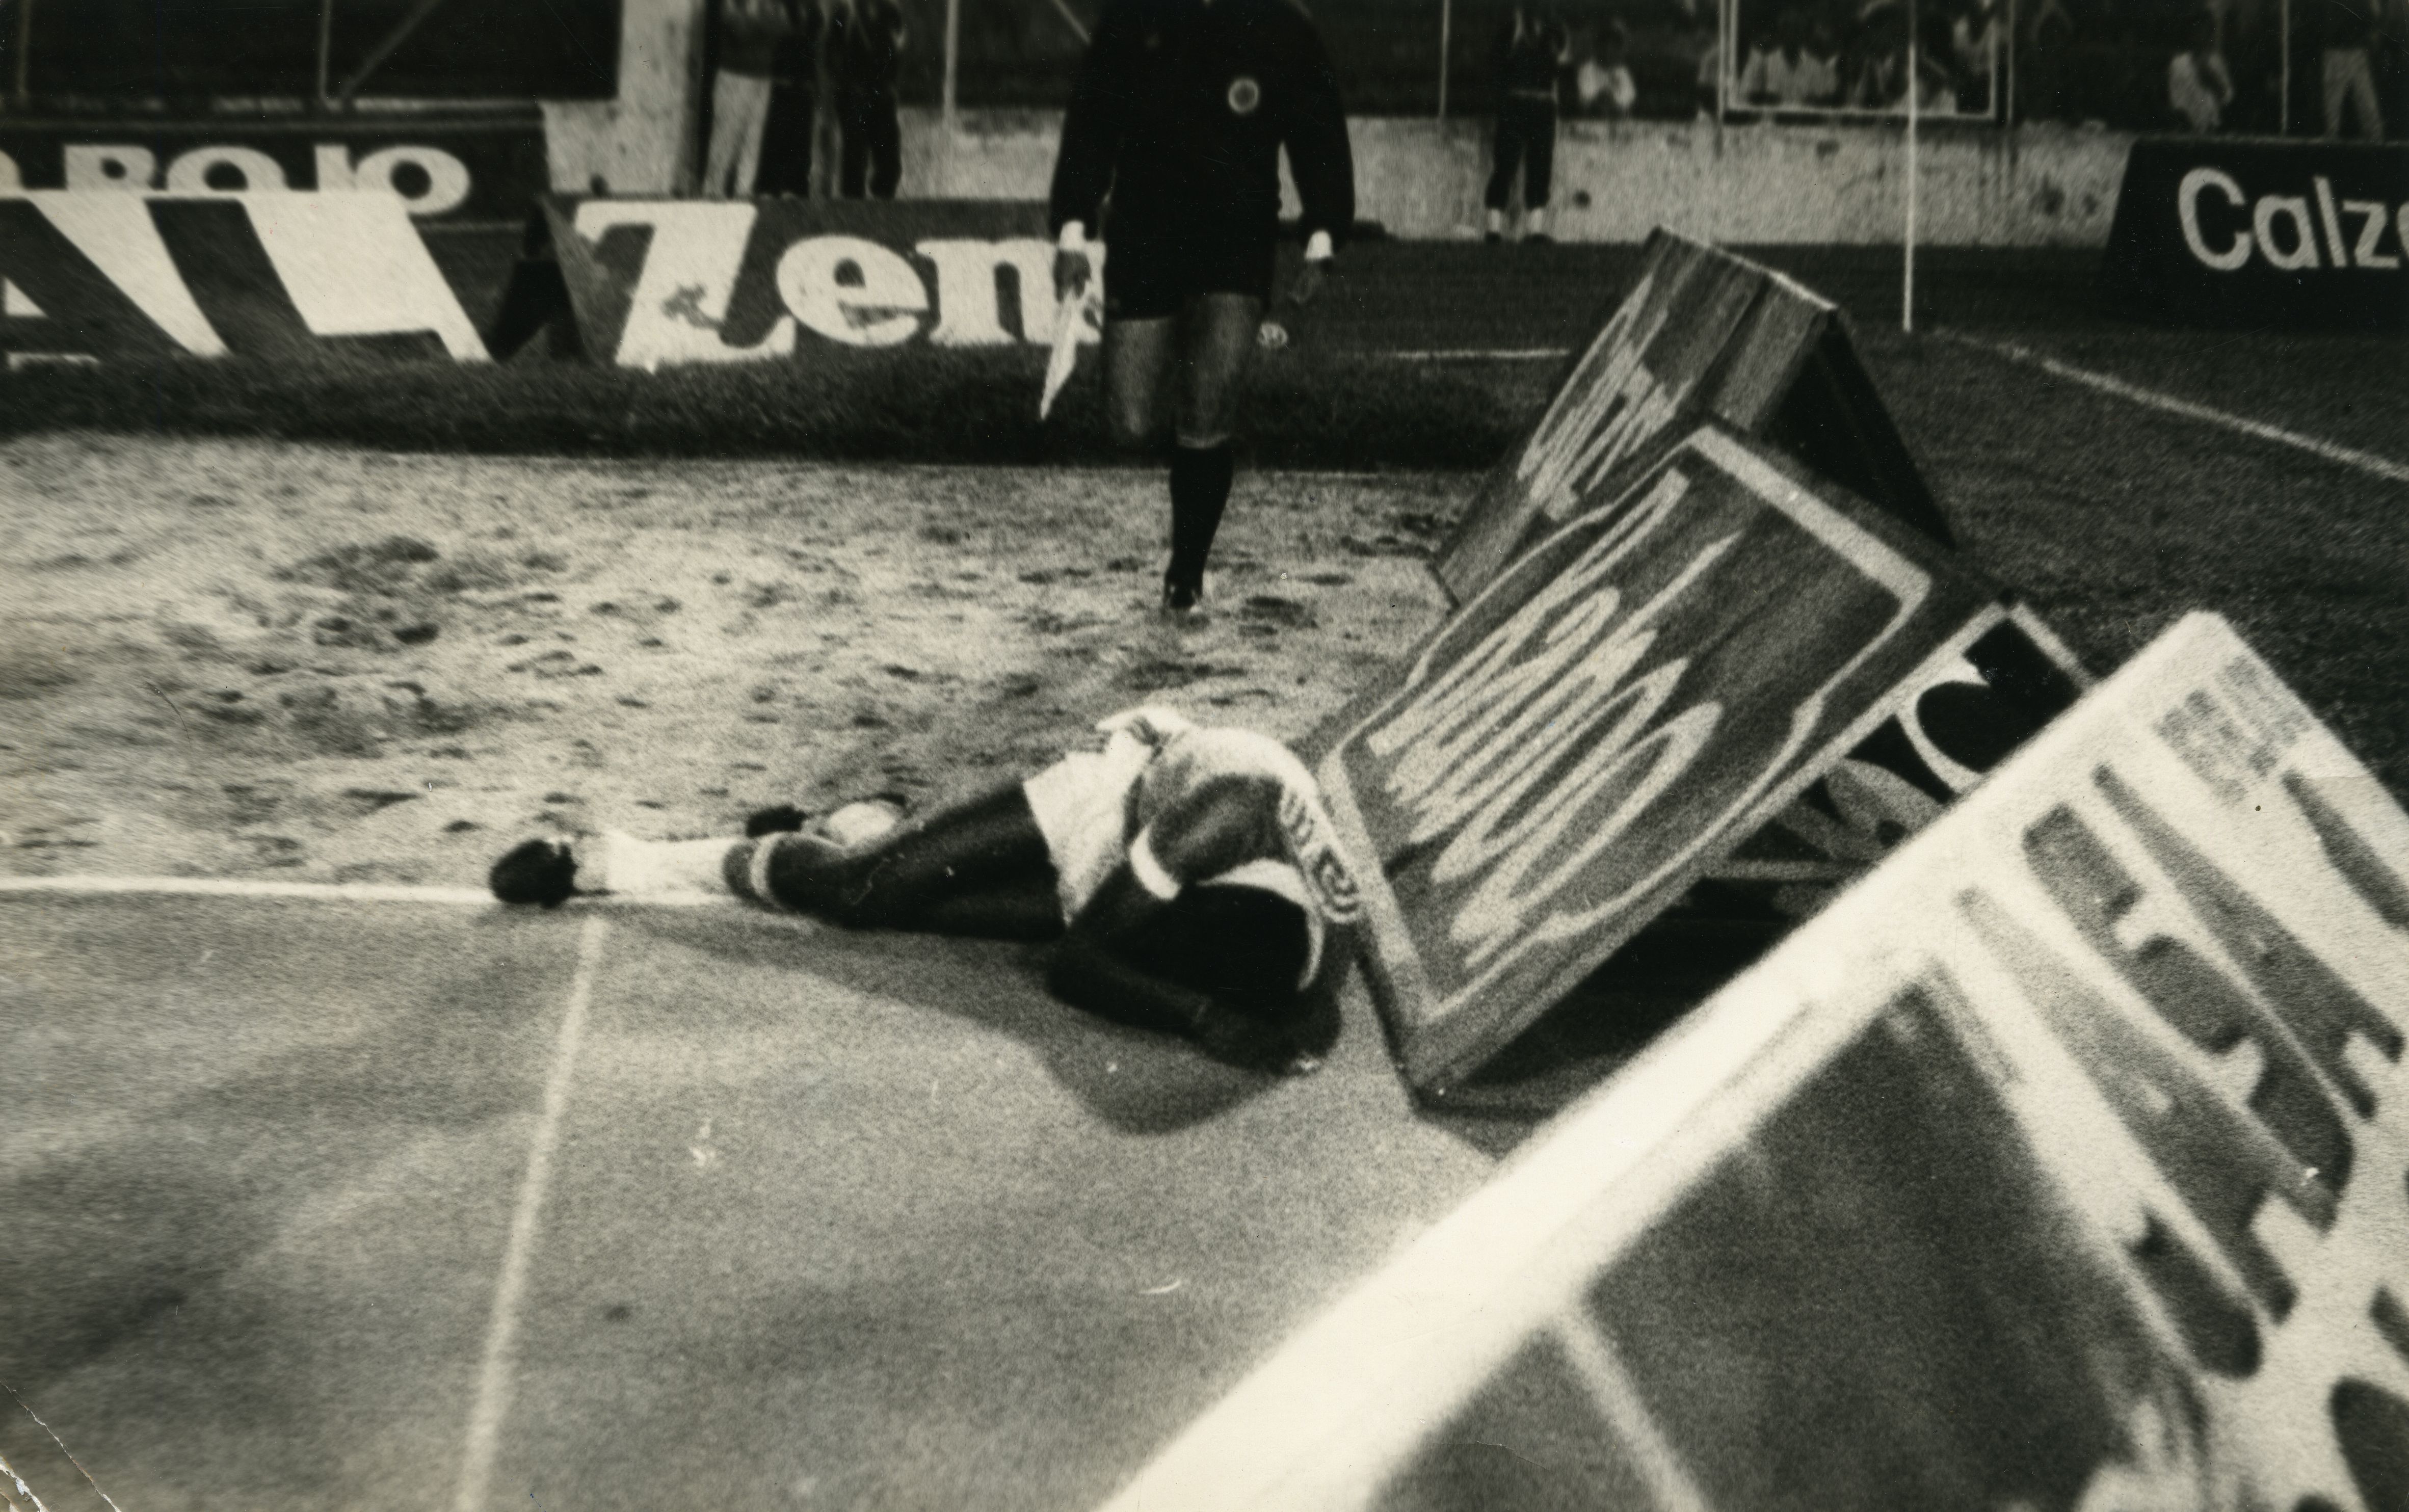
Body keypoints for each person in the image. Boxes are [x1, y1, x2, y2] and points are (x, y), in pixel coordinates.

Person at [487, 707, 1365, 1076]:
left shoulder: (1320, 954)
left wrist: (1219, 1006)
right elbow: (1079, 962)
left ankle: (858, 823)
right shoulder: (1221, 818)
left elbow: (1124, 951)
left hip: (1156, 865)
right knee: (861, 896)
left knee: (924, 908)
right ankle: (612, 859)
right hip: (1119, 794)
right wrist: (1201, 1018)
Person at [1047, 0, 1355, 616]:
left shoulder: (1281, 26)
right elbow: (1092, 120)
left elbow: (1316, 128)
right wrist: (1073, 229)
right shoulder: (1135, 18)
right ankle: (1191, 461)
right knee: (1130, 422)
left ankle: (1184, 576)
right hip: (1145, 234)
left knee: (1208, 414)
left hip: (1235, 242)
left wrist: (1322, 234)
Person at [1486, 4, 1575, 242]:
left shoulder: (1557, 31)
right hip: (1515, 102)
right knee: (1505, 165)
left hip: (1543, 105)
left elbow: (1565, 70)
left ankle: (1535, 230)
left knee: (1540, 166)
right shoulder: (1511, 27)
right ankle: (1493, 229)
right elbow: (1496, 65)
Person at [703, 0, 800, 198]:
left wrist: (758, 22)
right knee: (725, 139)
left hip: (761, 77)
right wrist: (764, 23)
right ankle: (712, 194)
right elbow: (739, 30)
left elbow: (786, 29)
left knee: (752, 141)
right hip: (734, 75)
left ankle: (744, 193)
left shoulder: (769, 5)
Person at [829, 0, 908, 199]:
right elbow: (831, 55)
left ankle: (882, 203)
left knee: (889, 162)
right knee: (854, 158)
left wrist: (892, 85)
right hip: (854, 96)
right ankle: (853, 207)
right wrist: (846, 86)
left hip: (883, 95)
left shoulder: (891, 13)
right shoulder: (845, 13)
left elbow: (897, 53)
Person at [756, 0, 823, 196]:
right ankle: (774, 183)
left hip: (800, 87)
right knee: (781, 134)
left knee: (798, 136)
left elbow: (816, 31)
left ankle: (794, 184)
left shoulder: (812, 13)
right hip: (787, 86)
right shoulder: (786, 17)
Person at [2307, 0, 2387, 139]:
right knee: (2334, 108)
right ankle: (2333, 136)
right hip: (2337, 50)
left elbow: (2376, 16)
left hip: (2352, 50)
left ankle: (2374, 138)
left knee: (2364, 105)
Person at [1738, 7, 1840, 108]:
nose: (1792, 36)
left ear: (1803, 34)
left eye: (1797, 30)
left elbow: (1827, 98)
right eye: (1788, 30)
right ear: (1781, 33)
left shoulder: (1814, 65)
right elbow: (1747, 94)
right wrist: (1765, 98)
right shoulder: (1766, 63)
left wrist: (1816, 101)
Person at [2167, 15, 2234, 131]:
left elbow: (2228, 97)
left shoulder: (2217, 62)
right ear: (2191, 34)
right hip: (2187, 127)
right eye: (2198, 31)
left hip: (2214, 126)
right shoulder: (2179, 64)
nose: (2202, 36)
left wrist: (2213, 81)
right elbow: (2176, 100)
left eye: (2207, 32)